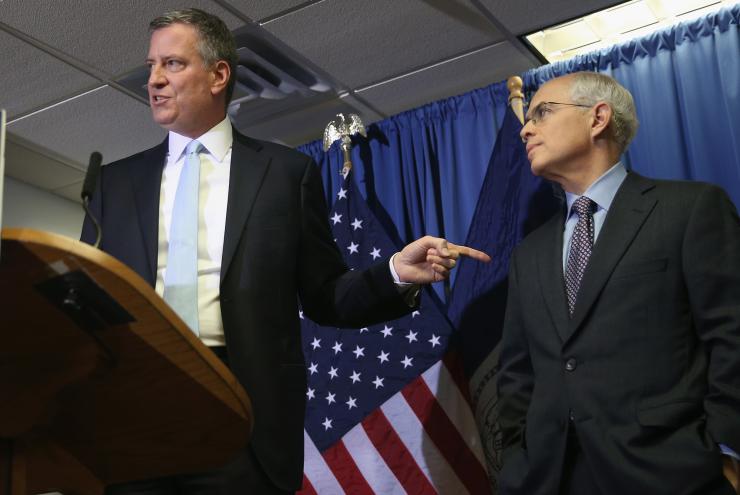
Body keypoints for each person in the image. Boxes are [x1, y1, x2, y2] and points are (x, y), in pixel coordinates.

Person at [80, 8, 489, 494]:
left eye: (172, 64)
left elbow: (326, 295)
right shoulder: (112, 183)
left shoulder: (284, 174)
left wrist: (395, 271)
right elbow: (89, 301)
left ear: (218, 74)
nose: (154, 80)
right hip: (137, 415)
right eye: (151, 66)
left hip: (243, 418)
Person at [496, 71, 740, 495]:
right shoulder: (528, 255)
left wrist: (725, 448)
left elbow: (733, 335)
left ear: (598, 118)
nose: (526, 128)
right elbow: (517, 377)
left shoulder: (691, 209)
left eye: (542, 112)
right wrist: (519, 461)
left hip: (673, 474)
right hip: (550, 479)